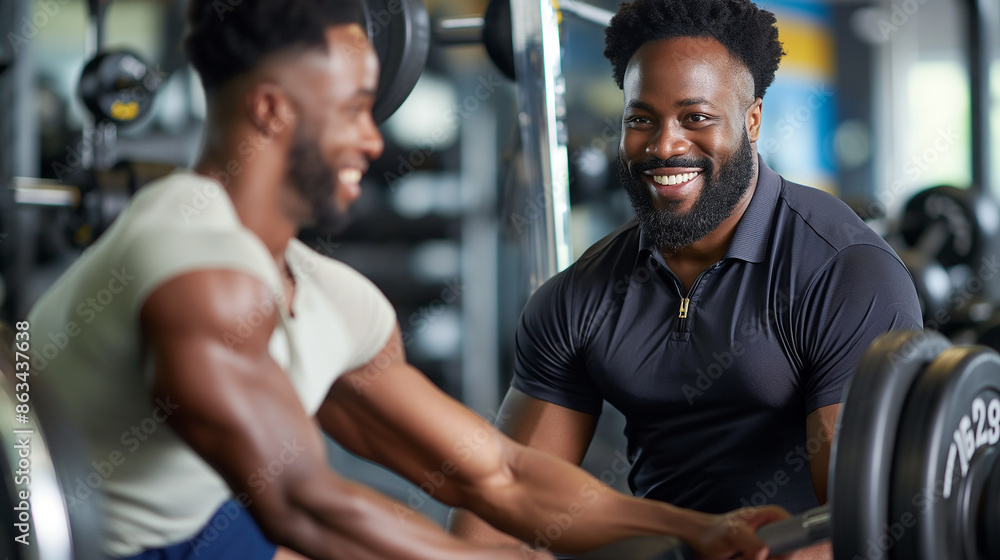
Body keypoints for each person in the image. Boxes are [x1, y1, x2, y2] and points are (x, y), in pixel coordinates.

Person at [24, 0, 790, 559]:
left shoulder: (328, 298)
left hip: (204, 529)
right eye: (355, 109)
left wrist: (695, 529)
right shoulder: (194, 264)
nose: (372, 136)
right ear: (270, 109)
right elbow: (305, 507)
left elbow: (501, 477)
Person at [449, 0, 923, 558]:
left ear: (751, 120)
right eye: (641, 119)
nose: (665, 145)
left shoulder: (845, 273)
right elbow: (500, 512)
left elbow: (862, 530)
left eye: (695, 118)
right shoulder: (578, 296)